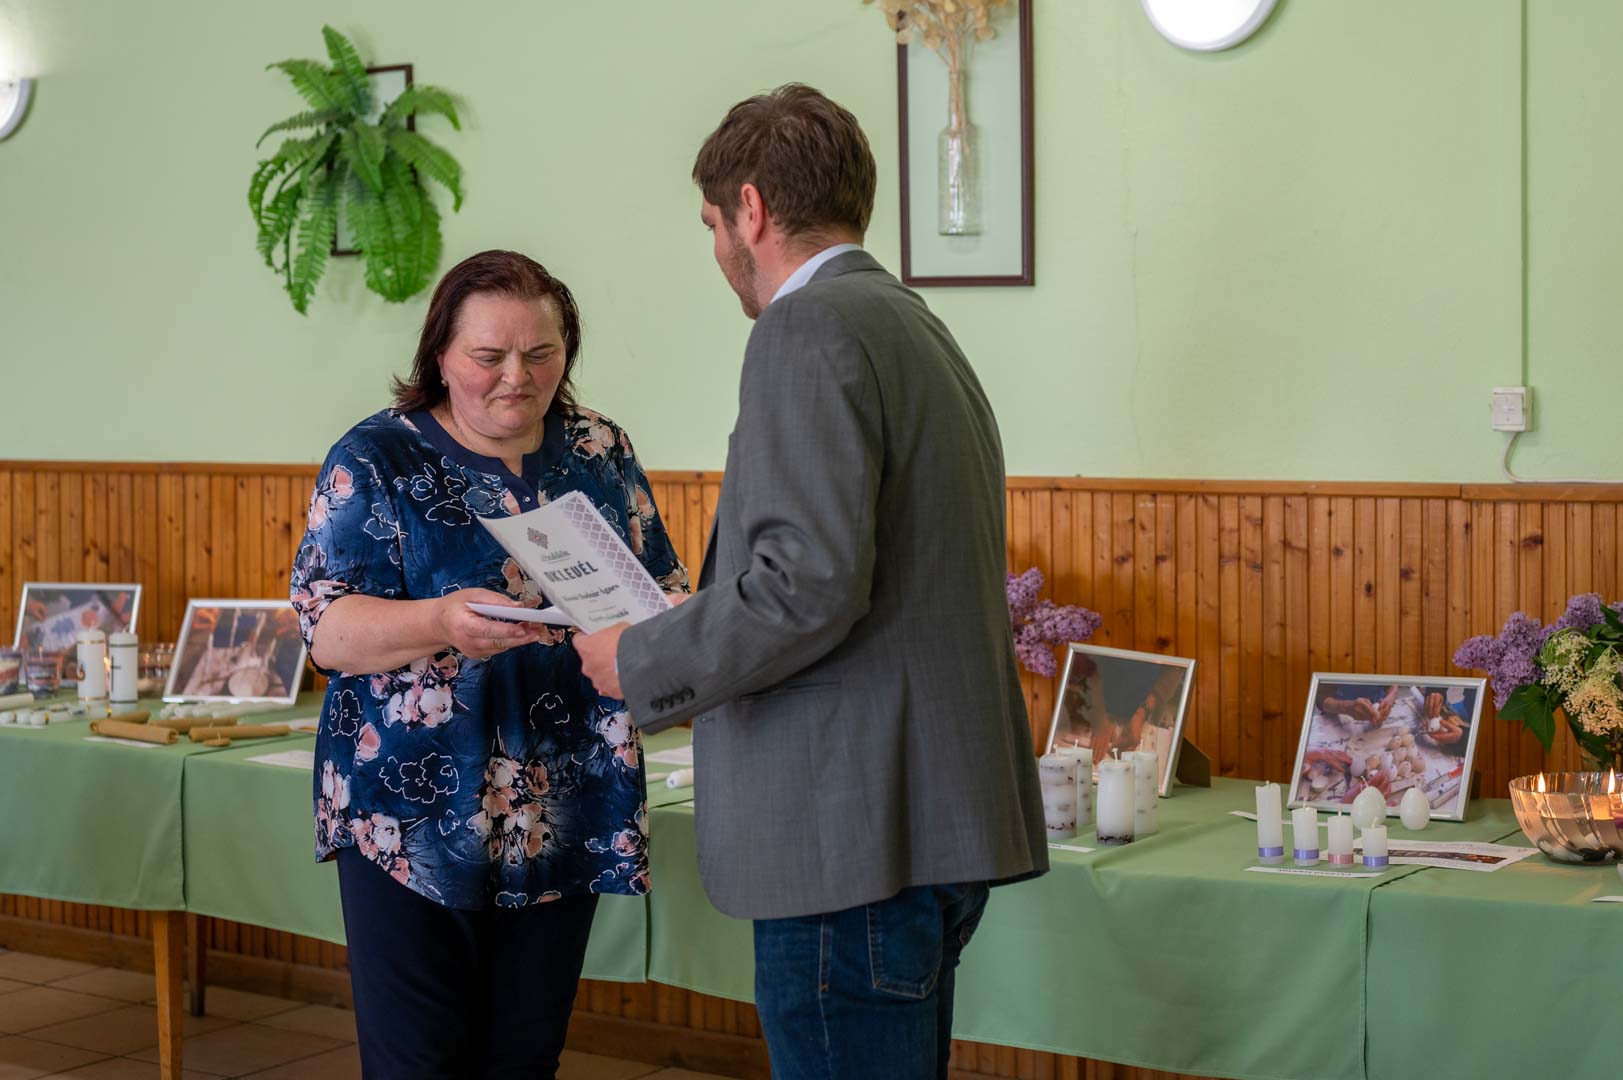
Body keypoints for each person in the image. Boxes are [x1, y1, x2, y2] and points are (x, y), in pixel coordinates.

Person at [573, 85, 1047, 1080]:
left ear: (749, 209)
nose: (716, 250)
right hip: (923, 820)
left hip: (847, 832)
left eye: (711, 224)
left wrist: (642, 655)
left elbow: (807, 585)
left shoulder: (807, 328)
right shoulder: (909, 321)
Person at [289, 250, 688, 1079]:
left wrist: (674, 622)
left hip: (563, 798)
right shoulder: (376, 457)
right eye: (488, 356)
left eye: (541, 354)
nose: (517, 377)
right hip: (409, 814)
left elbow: (663, 585)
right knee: (418, 1064)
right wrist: (439, 621)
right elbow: (325, 627)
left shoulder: (598, 448)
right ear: (440, 354)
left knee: (523, 1058)